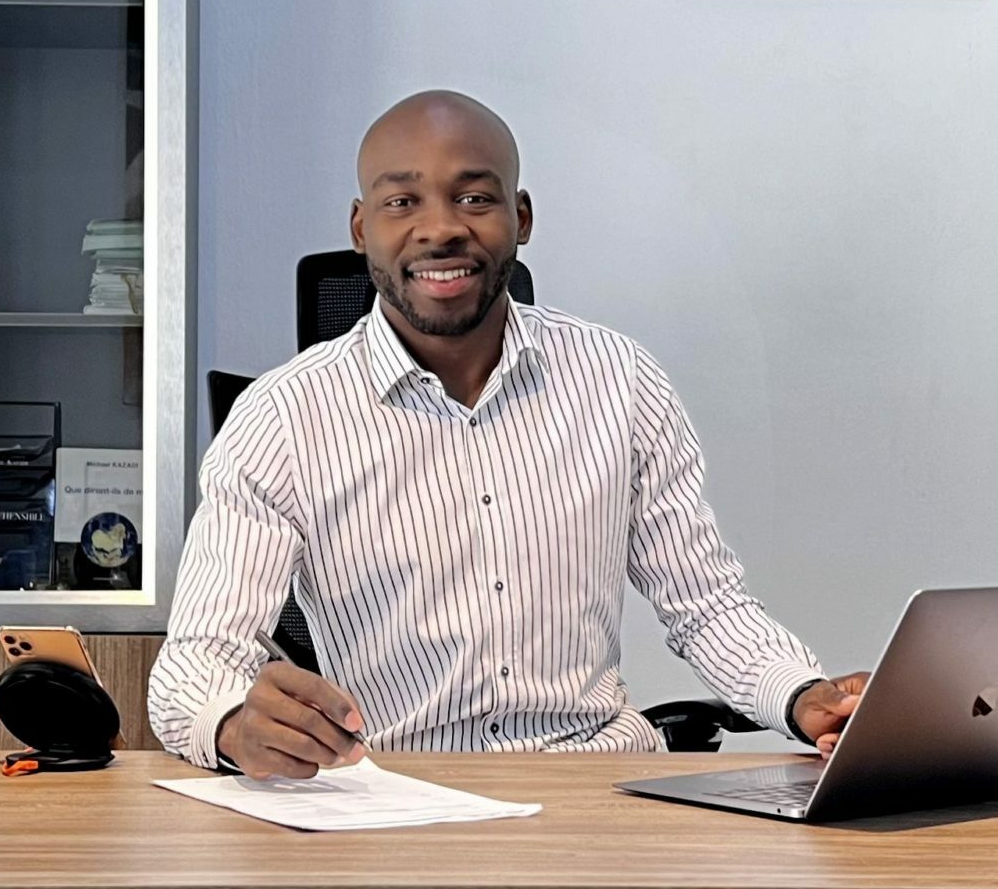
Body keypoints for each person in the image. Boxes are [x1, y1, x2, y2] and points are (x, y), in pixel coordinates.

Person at [148, 90, 868, 778]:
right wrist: (234, 724)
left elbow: (705, 605)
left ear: (520, 218)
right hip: (398, 794)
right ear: (361, 229)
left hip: (598, 787)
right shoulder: (281, 418)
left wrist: (801, 696)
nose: (440, 229)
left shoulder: (619, 379)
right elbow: (195, 664)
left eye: (474, 198)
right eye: (402, 202)